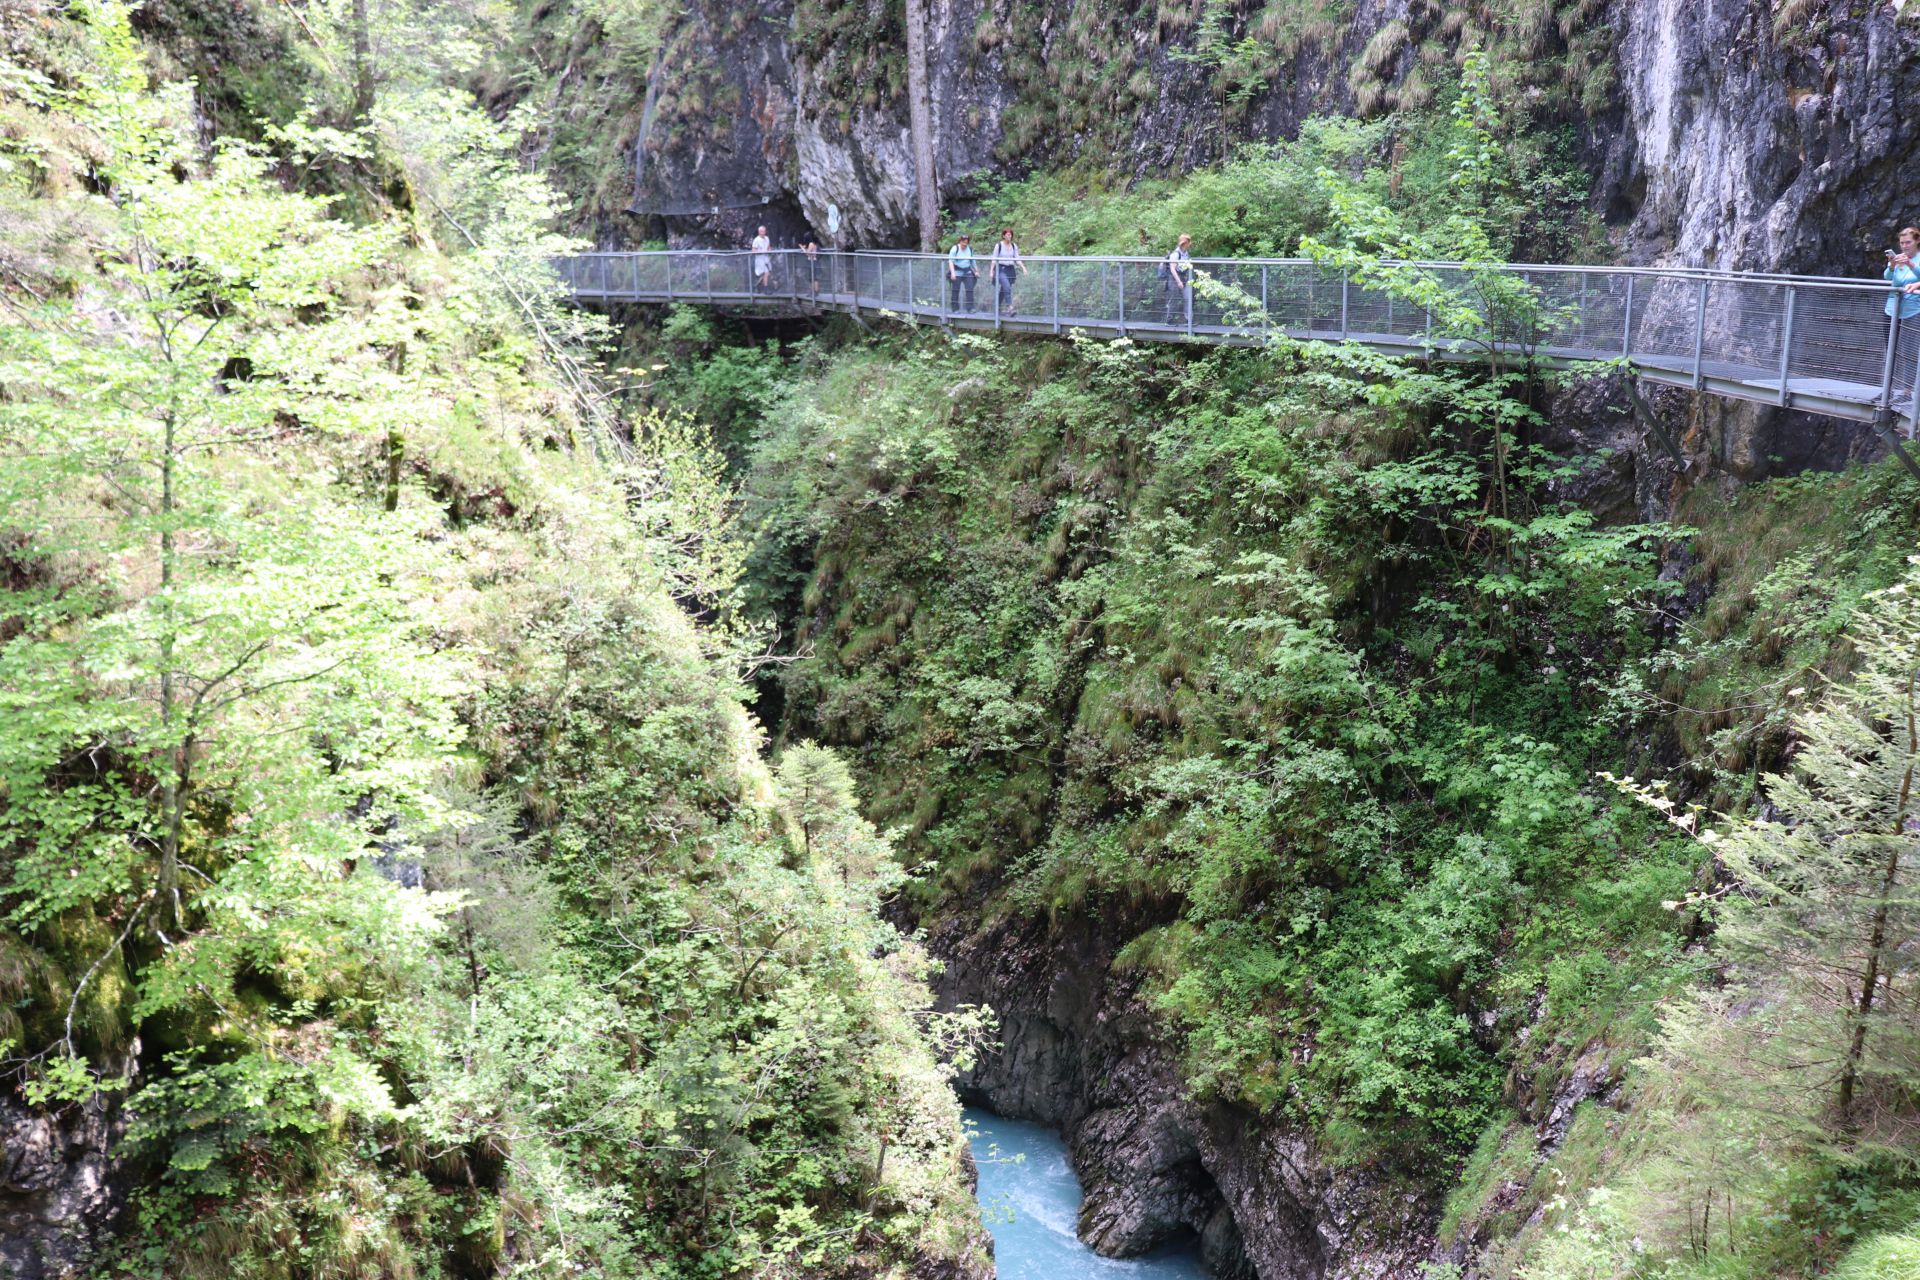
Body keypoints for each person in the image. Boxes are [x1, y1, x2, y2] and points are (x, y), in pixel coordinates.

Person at [990, 227, 1025, 316]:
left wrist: (1023, 268)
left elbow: (1017, 258)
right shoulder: (999, 245)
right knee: (1007, 287)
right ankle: (1010, 308)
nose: (1009, 236)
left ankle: (996, 307)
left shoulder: (1014, 246)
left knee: (1004, 289)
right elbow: (994, 258)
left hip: (1010, 269)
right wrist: (991, 271)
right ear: (1003, 236)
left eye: (1010, 235)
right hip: (1001, 269)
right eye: (1007, 235)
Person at [1161, 233, 1193, 325]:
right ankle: (1169, 320)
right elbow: (1172, 269)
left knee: (1187, 298)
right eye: (1188, 242)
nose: (1189, 244)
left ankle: (1188, 320)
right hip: (1174, 278)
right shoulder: (1175, 254)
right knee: (1174, 299)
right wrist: (1179, 282)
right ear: (1184, 243)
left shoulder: (1186, 253)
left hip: (1184, 277)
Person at [947, 233, 978, 313]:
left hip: (967, 272)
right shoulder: (955, 249)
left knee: (970, 289)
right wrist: (953, 273)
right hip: (957, 272)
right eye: (963, 242)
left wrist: (976, 271)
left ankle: (970, 308)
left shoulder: (970, 249)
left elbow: (972, 261)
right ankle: (955, 309)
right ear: (960, 241)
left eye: (966, 242)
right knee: (955, 290)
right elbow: (951, 261)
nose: (964, 244)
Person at [752, 226, 772, 291]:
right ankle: (766, 289)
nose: (764, 232)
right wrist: (761, 251)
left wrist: (770, 251)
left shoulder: (767, 238)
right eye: (762, 231)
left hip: (766, 258)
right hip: (759, 259)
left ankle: (757, 285)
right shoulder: (756, 240)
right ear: (759, 232)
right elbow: (753, 251)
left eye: (764, 231)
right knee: (765, 273)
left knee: (767, 273)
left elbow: (769, 247)